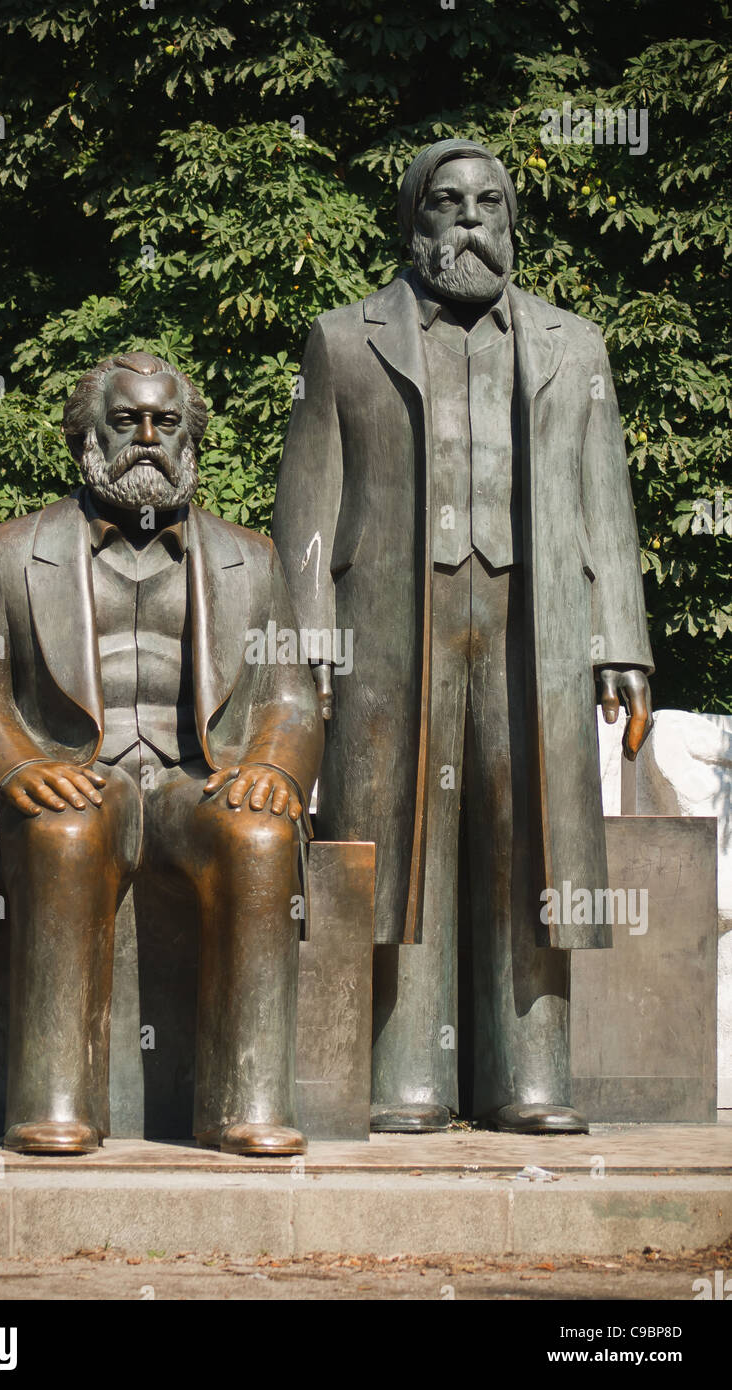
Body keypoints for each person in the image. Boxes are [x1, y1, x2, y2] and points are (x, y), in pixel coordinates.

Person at [272, 140, 653, 1134]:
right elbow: (307, 504)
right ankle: (406, 1074)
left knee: (534, 834)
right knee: (400, 833)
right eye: (445, 203)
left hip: (540, 619)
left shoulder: (575, 344)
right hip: (389, 622)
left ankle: (528, 1076)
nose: (468, 220)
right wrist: (305, 638)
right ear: (413, 223)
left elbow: (602, 497)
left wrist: (621, 635)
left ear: (512, 224)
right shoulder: (342, 339)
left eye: (488, 202)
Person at [0, 352, 323, 1155]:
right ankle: (53, 1104)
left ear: (190, 439)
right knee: (65, 827)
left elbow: (291, 697)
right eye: (127, 421)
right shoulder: (13, 551)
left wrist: (274, 768)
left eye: (166, 422)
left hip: (195, 781)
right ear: (86, 434)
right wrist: (17, 767)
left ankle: (244, 1106)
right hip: (82, 773)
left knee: (258, 833)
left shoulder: (253, 559)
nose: (147, 438)